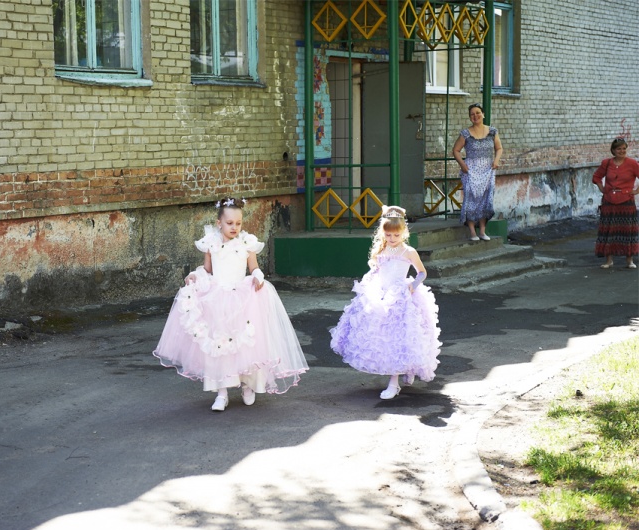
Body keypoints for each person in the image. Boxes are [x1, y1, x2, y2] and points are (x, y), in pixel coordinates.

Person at [153, 197, 309, 411]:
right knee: (219, 345)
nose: (234, 227)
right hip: (217, 299)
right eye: (229, 223)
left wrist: (258, 276)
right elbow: (207, 270)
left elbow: (254, 267)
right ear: (219, 223)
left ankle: (247, 385)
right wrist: (196, 276)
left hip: (242, 298)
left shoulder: (247, 244)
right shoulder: (211, 244)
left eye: (238, 223)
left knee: (246, 345)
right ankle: (222, 392)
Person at [330, 206, 441, 400]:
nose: (392, 238)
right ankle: (402, 372)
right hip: (380, 294)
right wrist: (370, 280)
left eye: (396, 235)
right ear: (383, 233)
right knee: (382, 337)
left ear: (404, 232)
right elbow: (379, 269)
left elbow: (422, 272)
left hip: (399, 296)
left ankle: (394, 383)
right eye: (388, 235)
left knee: (399, 338)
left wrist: (414, 285)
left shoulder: (408, 251)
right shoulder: (381, 249)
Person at [452, 103, 503, 241]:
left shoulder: (492, 132)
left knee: (486, 198)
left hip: (488, 170)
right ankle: (472, 232)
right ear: (470, 117)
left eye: (478, 113)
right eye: (472, 114)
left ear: (483, 114)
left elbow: (499, 148)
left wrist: (496, 160)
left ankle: (482, 231)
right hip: (470, 170)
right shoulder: (465, 133)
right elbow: (455, 150)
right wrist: (462, 164)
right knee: (471, 198)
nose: (475, 116)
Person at [592, 138, 639, 269]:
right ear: (613, 150)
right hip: (609, 202)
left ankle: (629, 260)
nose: (622, 151)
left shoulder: (632, 163)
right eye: (619, 149)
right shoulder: (606, 163)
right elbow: (596, 177)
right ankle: (609, 260)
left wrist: (636, 191)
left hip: (626, 202)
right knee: (609, 230)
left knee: (627, 230)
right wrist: (602, 189)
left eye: (624, 148)